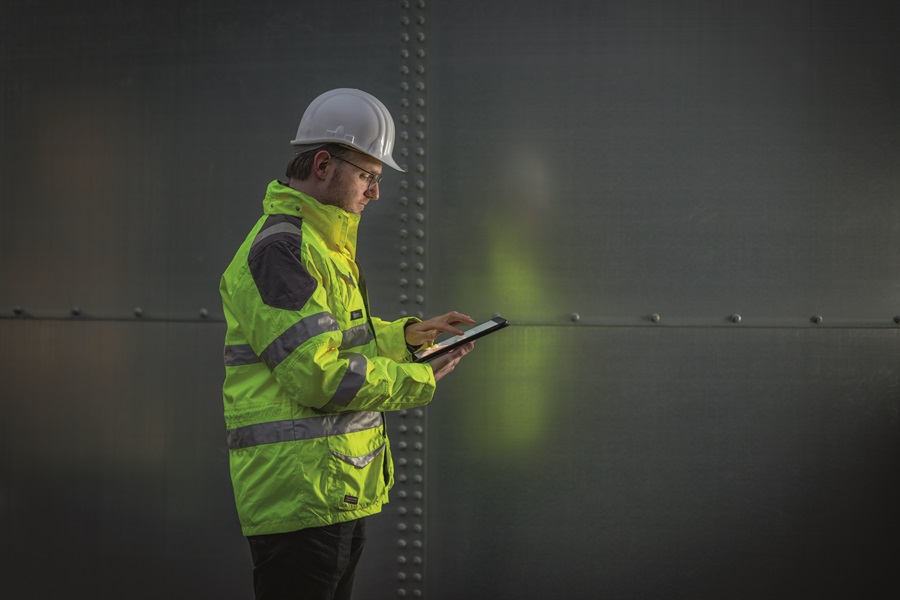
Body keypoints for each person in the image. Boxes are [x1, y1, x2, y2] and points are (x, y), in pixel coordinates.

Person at [219, 88, 476, 600]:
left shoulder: (317, 245)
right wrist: (416, 378)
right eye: (368, 177)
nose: (374, 193)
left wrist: (404, 338)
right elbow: (317, 374)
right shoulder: (281, 251)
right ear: (322, 164)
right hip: (301, 497)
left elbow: (333, 339)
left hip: (327, 490)